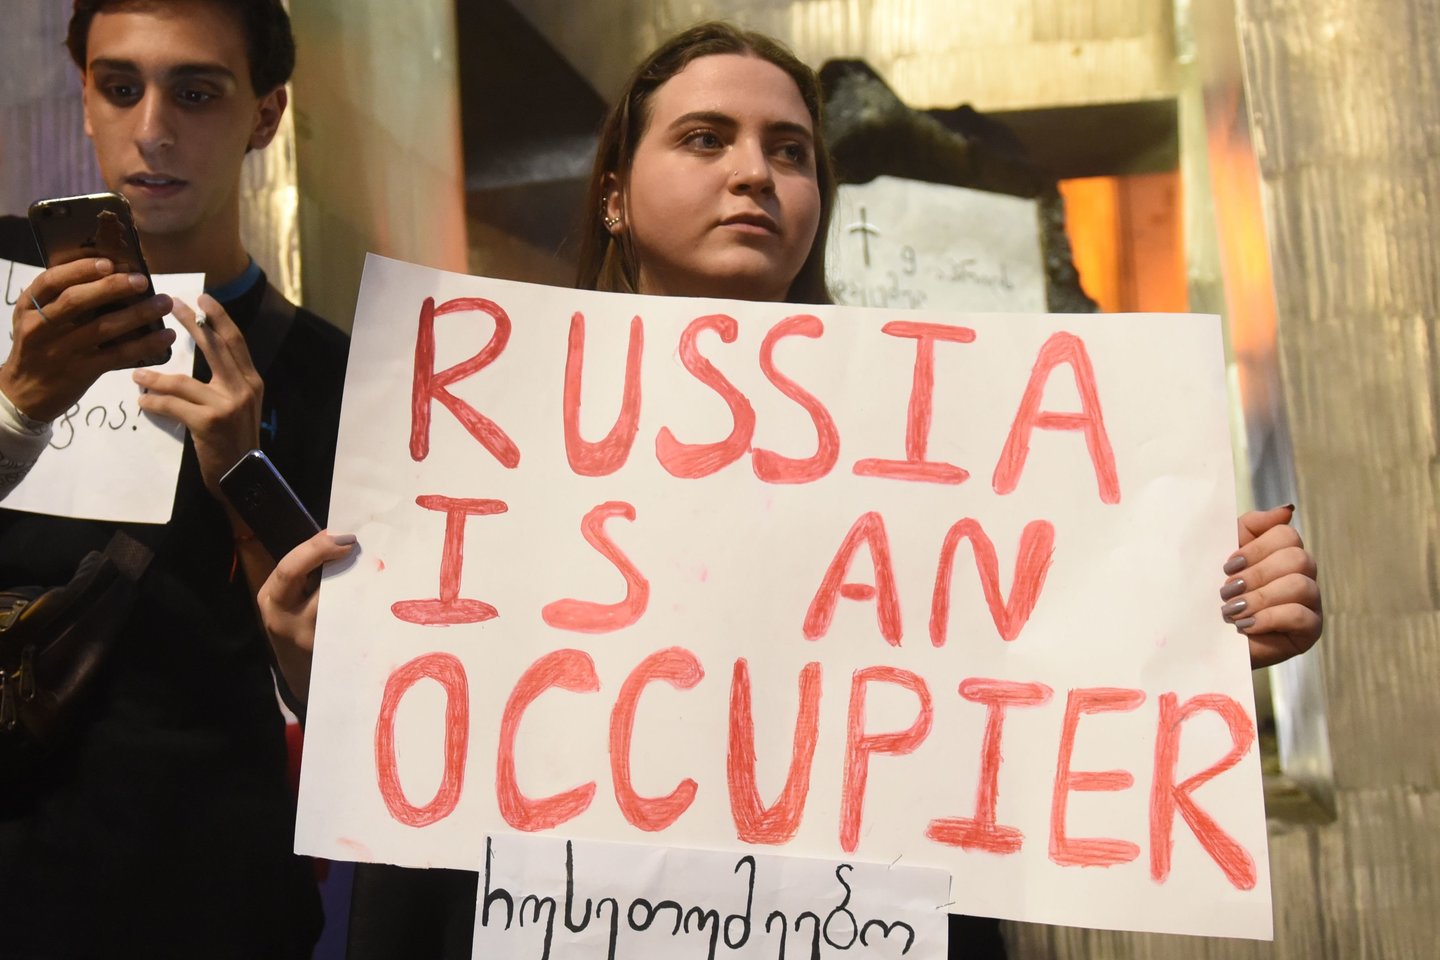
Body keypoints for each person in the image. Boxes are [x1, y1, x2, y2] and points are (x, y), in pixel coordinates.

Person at [260, 21, 1322, 958]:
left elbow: (1027, 671)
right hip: (555, 921)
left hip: (848, 925)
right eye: (705, 138)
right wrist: (326, 675)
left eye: (791, 151)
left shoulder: (944, 444)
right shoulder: (482, 424)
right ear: (617, 195)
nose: (755, 172)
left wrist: (1208, 616)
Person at [0, 1, 348, 956]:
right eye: (120, 88)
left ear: (266, 115)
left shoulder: (330, 372)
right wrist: (17, 408)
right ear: (83, 100)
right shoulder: (2, 299)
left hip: (215, 889)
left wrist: (249, 478)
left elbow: (346, 681)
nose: (151, 129)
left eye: (196, 92)